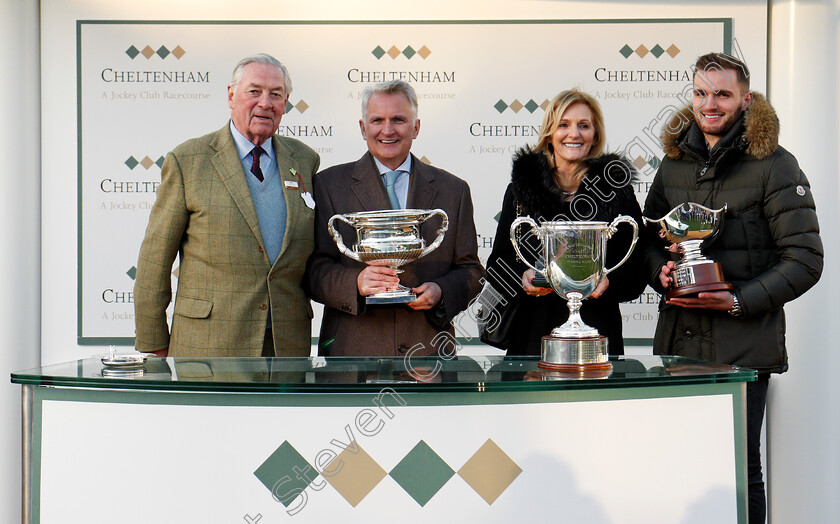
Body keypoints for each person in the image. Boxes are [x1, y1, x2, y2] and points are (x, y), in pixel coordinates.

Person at [642, 52, 823, 524]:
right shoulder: (672, 162)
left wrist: (739, 300)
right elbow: (647, 237)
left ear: (745, 99)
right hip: (678, 345)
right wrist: (660, 269)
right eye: (701, 93)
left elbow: (805, 260)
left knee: (740, 472)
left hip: (742, 349)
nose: (710, 104)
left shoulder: (776, 165)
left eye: (722, 94)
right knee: (678, 468)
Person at [134, 53, 320, 358]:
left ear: (285, 103)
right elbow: (155, 260)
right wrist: (154, 343)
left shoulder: (304, 160)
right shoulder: (188, 160)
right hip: (207, 346)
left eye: (276, 94)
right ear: (231, 96)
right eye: (254, 91)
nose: (265, 102)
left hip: (286, 346)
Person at [306, 80, 484, 356]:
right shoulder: (329, 186)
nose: (387, 130)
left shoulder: (454, 190)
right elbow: (313, 270)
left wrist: (441, 291)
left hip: (427, 351)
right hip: (352, 352)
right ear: (363, 128)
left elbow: (472, 271)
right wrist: (355, 283)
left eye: (398, 120)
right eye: (377, 120)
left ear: (416, 127)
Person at [484, 89, 646, 356]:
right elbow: (498, 264)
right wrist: (523, 278)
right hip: (533, 337)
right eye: (563, 125)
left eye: (584, 125)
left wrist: (608, 283)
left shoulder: (616, 190)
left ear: (595, 135)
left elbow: (636, 271)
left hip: (596, 335)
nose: (574, 134)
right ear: (550, 132)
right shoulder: (520, 192)